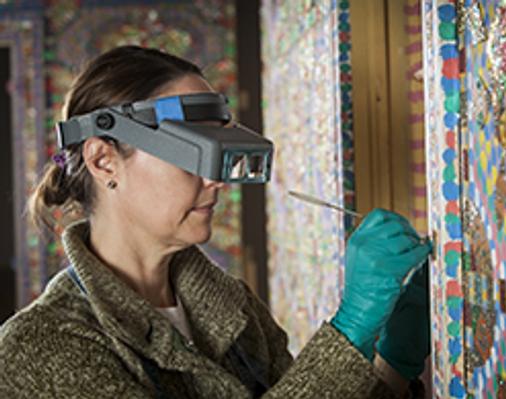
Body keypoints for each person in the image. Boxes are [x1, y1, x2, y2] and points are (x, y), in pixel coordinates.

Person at [0, 46, 432, 398]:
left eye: (221, 155)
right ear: (102, 160)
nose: (216, 181)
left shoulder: (233, 306)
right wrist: (350, 327)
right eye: (195, 154)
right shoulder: (38, 346)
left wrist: (391, 362)